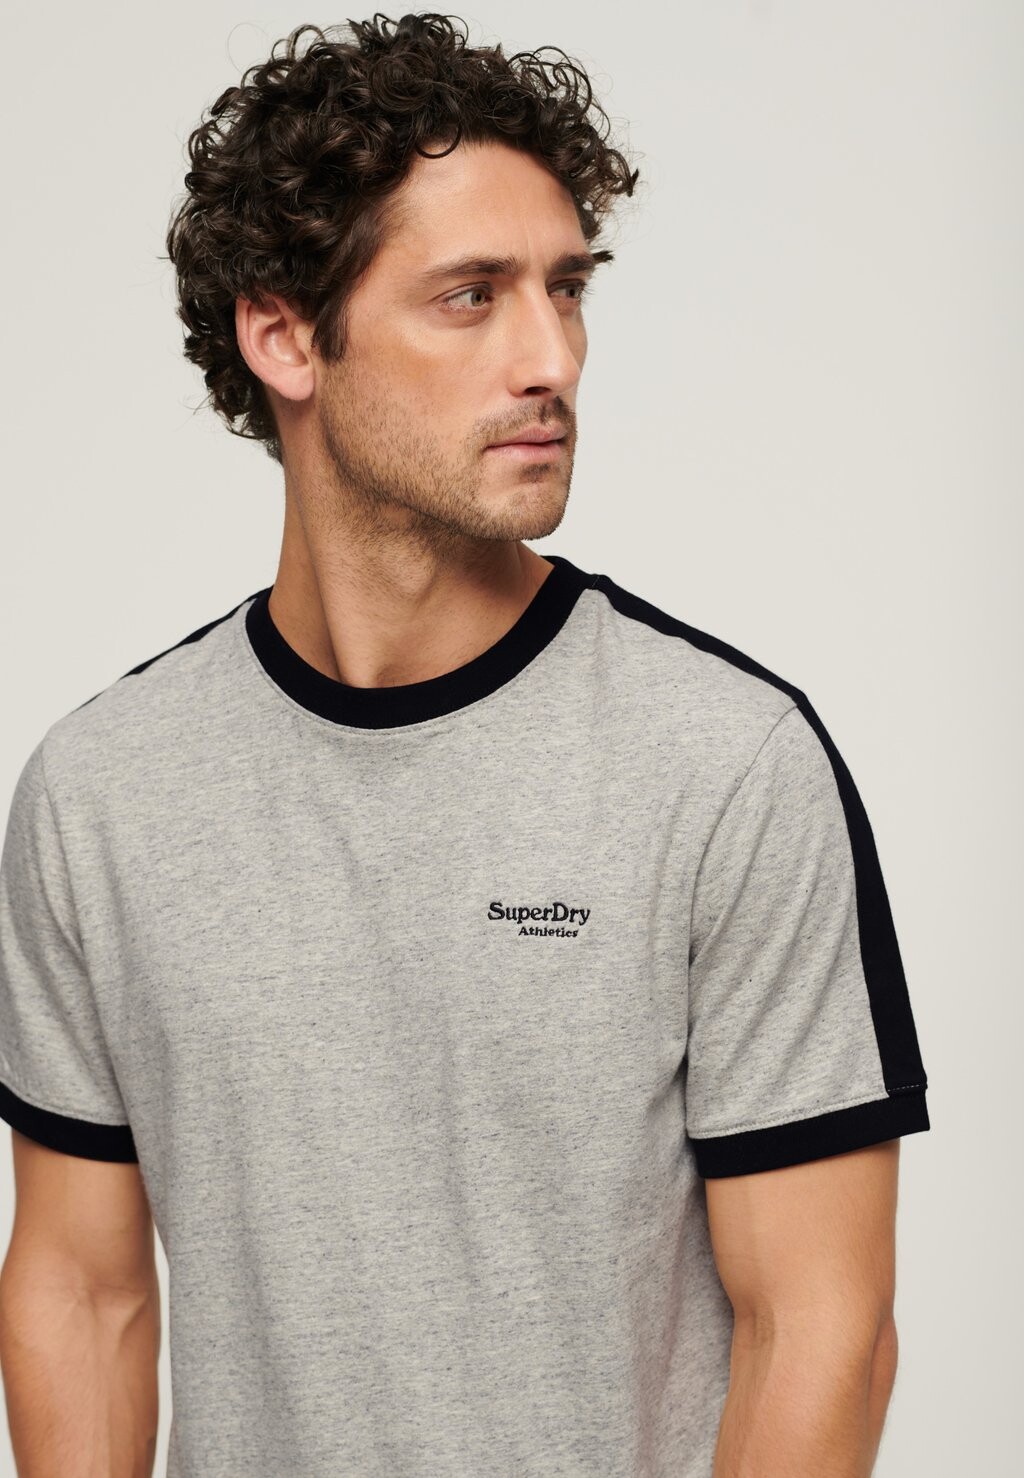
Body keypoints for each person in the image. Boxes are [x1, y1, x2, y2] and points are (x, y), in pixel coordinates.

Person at [0, 13, 930, 1477]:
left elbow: (822, 1328)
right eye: (471, 297)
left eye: (568, 289)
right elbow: (82, 1292)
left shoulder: (725, 764)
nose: (550, 356)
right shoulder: (99, 794)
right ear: (283, 335)